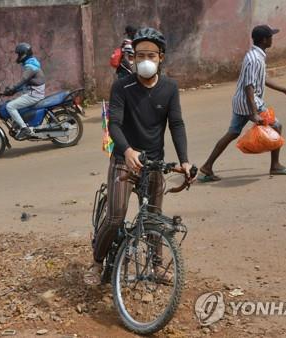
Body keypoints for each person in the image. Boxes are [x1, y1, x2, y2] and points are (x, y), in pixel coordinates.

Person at [84, 27, 194, 286]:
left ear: (161, 57)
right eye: (139, 55)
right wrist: (128, 150)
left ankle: (156, 266)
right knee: (115, 216)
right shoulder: (122, 86)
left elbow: (176, 124)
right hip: (125, 160)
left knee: (154, 217)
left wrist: (185, 160)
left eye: (151, 56)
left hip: (154, 162)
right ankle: (97, 262)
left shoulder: (169, 88)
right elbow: (115, 126)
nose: (145, 61)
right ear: (132, 58)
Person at [199, 25, 286, 182]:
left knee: (232, 132)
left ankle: (207, 167)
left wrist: (285, 90)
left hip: (241, 102)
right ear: (265, 40)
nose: (273, 39)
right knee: (277, 126)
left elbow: (262, 79)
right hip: (249, 103)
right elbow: (249, 86)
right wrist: (254, 112)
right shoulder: (254, 59)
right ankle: (275, 165)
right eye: (271, 37)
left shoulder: (257, 56)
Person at [3, 42, 46, 140]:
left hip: (34, 95)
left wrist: (12, 88)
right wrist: (13, 91)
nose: (18, 57)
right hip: (33, 93)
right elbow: (26, 83)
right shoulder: (32, 63)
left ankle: (24, 128)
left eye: (19, 54)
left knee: (10, 106)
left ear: (23, 54)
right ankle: (21, 124)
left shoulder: (30, 67)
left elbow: (23, 81)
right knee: (14, 102)